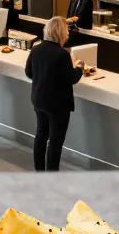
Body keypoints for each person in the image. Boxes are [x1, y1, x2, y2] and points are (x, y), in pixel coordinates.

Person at [25, 16, 84, 172]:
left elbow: (28, 72)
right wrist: (80, 68)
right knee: (55, 142)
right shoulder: (62, 54)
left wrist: (42, 79)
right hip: (58, 104)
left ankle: (39, 170)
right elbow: (71, 78)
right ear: (61, 33)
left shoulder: (36, 48)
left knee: (41, 135)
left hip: (39, 99)